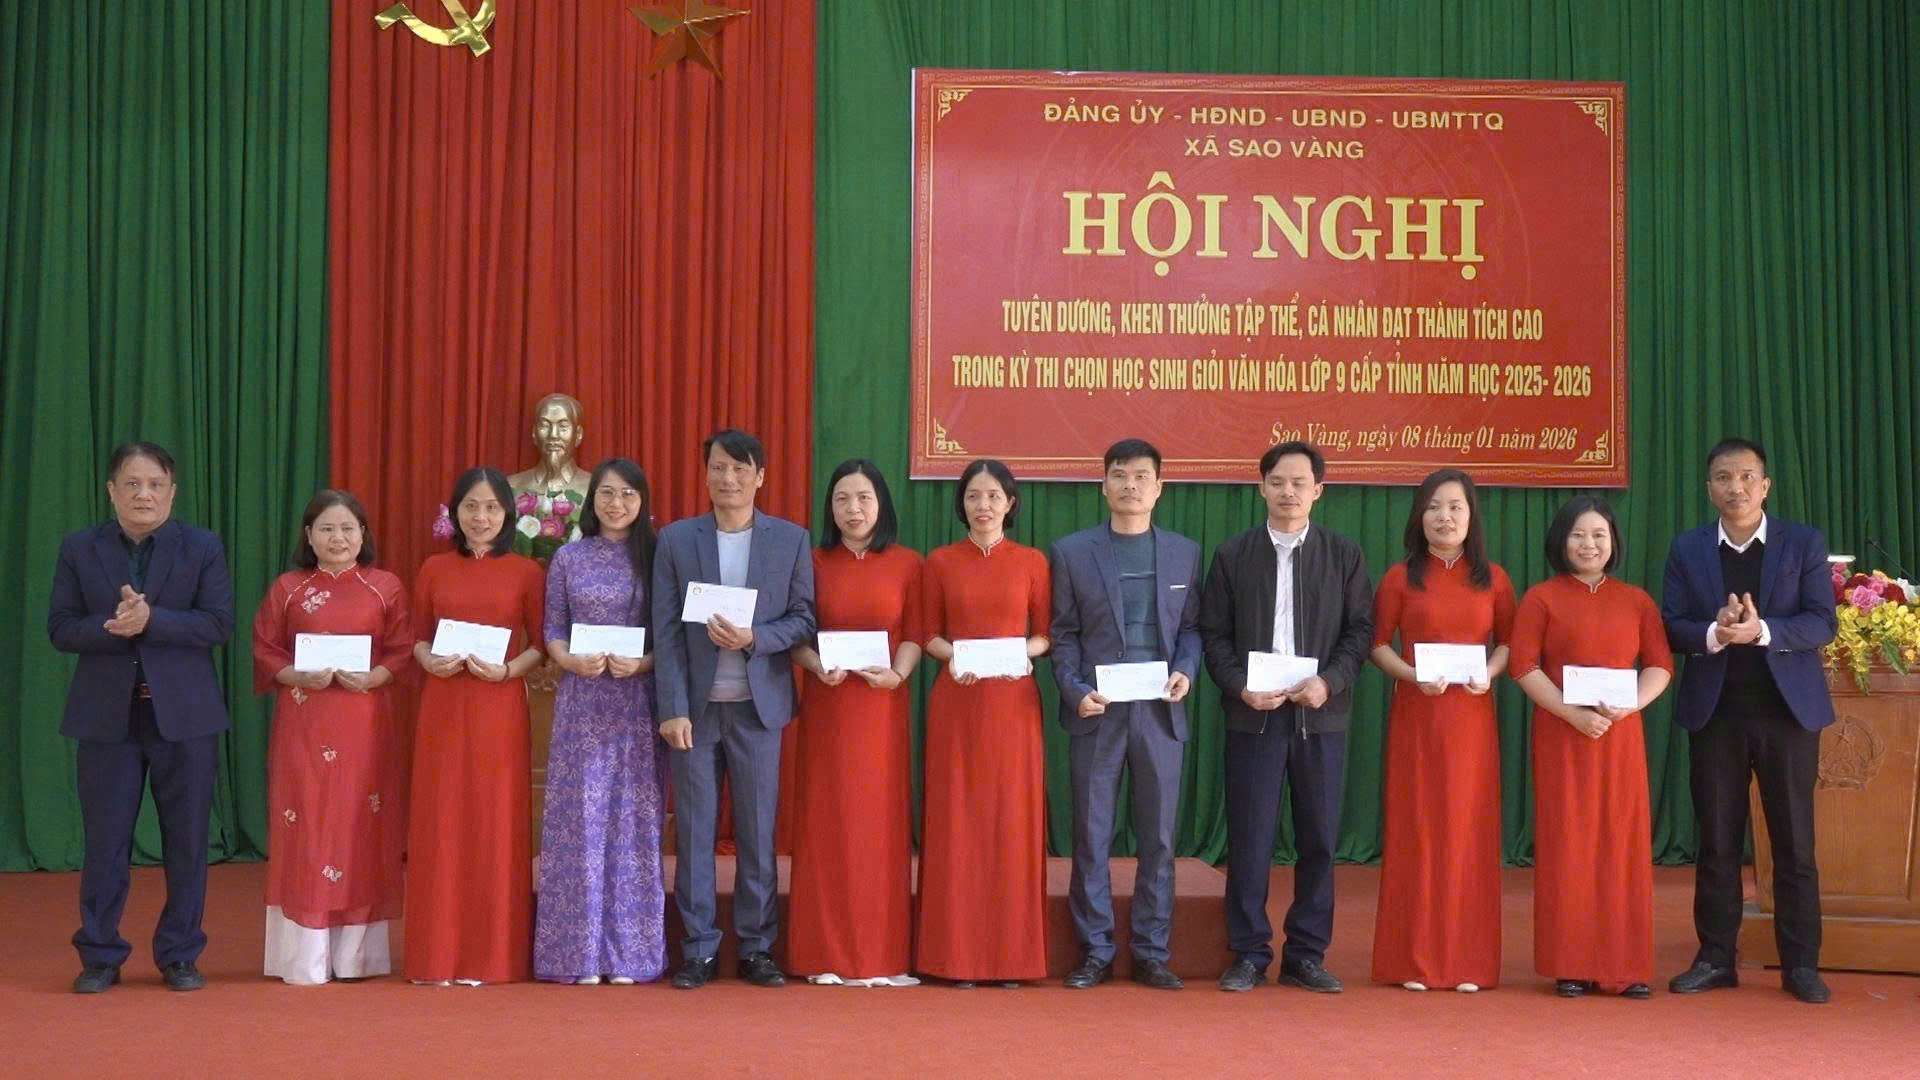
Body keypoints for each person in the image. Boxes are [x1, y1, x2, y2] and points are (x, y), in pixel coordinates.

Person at [49, 441, 234, 993]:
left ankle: (180, 954)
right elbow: (61, 627)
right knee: (105, 843)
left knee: (187, 841)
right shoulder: (80, 548)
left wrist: (152, 620)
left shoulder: (202, 546)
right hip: (106, 718)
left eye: (155, 484)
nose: (144, 494)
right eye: (131, 484)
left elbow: (217, 623)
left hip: (185, 717)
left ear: (172, 492)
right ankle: (100, 954)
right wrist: (115, 624)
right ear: (111, 491)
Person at [1661, 438, 1837, 1004]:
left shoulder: (1803, 543)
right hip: (1717, 716)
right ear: (1708, 487)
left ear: (1765, 486)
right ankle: (1716, 958)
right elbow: (1671, 625)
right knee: (1716, 843)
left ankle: (1800, 965)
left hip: (1788, 715)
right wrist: (1714, 632)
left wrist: (1761, 631)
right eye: (1722, 477)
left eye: (1745, 477)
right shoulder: (1687, 548)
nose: (1734, 487)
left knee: (1795, 845)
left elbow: (1822, 622)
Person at [1200, 441, 1372, 994]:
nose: (1288, 492)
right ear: (1261, 488)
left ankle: (1306, 954)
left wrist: (1330, 682)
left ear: (1318, 491)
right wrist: (1239, 686)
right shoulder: (1233, 555)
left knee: (1318, 840)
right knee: (1250, 839)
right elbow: (1213, 635)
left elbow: (1359, 632)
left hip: (1320, 718)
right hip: (1253, 717)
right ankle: (1249, 953)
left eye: (1299, 483)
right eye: (1277, 482)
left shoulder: (1343, 555)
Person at [652, 429, 815, 990]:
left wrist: (755, 638)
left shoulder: (790, 540)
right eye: (719, 468)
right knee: (695, 834)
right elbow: (666, 632)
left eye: (741, 469)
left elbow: (804, 619)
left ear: (760, 477)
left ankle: (756, 947)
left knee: (757, 833)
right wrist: (673, 708)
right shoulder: (677, 540)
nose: (729, 479)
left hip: (757, 709)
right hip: (696, 713)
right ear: (705, 474)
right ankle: (698, 949)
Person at [1049, 438, 1201, 991]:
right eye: (1119, 474)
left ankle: (1151, 952)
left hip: (1160, 712)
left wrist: (1186, 669)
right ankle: (1094, 951)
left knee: (1158, 838)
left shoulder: (1185, 552)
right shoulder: (1071, 552)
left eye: (1141, 476)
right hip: (1099, 711)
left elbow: (1192, 629)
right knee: (1092, 834)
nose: (1130, 484)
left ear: (1159, 487)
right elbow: (1063, 635)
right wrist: (1074, 690)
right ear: (1104, 485)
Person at [1509, 495, 1672, 999]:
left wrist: (1631, 706)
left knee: (1622, 844)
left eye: (1599, 534)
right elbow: (1523, 667)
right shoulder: (1541, 598)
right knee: (1569, 844)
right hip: (1563, 734)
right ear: (1561, 541)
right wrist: (1572, 714)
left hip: (1620, 737)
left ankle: (1626, 965)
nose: (1589, 544)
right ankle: (1572, 963)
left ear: (1613, 541)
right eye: (1578, 534)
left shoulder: (1636, 601)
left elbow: (1660, 665)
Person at [251, 489, 413, 985]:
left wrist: (376, 677)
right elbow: (265, 648)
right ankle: (305, 958)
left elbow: (402, 648)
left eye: (347, 528)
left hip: (364, 721)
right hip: (304, 721)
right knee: (307, 822)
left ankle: (355, 958)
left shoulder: (385, 587)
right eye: (326, 529)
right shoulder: (288, 588)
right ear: (308, 535)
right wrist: (296, 675)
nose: (337, 538)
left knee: (360, 823)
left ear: (363, 534)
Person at [1367, 468, 1514, 993]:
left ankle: (1469, 962)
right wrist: (1411, 675)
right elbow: (1377, 645)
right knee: (1419, 829)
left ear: (1471, 516)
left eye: (1455, 507)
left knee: (1467, 831)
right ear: (1419, 516)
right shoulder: (1399, 578)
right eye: (1433, 507)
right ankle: (1413, 960)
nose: (1444, 517)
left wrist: (1489, 673)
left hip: (1471, 720)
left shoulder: (1493, 578)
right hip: (1418, 717)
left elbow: (1510, 643)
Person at [405, 466, 546, 985]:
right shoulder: (433, 568)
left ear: (507, 513)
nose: (480, 517)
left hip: (498, 707)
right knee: (441, 821)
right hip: (443, 705)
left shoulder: (527, 573)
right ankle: (435, 956)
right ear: (455, 513)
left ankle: (493, 957)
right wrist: (427, 659)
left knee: (494, 822)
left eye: (490, 507)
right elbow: (417, 636)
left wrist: (508, 671)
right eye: (470, 507)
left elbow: (541, 644)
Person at [786, 459, 923, 985]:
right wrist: (814, 665)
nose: (854, 509)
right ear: (830, 507)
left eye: (864, 498)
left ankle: (880, 954)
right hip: (829, 706)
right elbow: (795, 632)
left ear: (881, 504)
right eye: (842, 498)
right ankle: (820, 952)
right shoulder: (811, 561)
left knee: (877, 825)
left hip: (882, 708)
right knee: (827, 823)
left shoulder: (908, 564)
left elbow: (915, 632)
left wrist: (898, 674)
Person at [917, 458, 1052, 987]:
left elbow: (1046, 634)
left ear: (1010, 503)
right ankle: (955, 958)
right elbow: (927, 633)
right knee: (958, 823)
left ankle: (1011, 959)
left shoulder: (1033, 562)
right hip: (958, 703)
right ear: (962, 503)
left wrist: (1019, 652)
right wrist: (955, 655)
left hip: (1013, 706)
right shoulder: (940, 562)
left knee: (1010, 825)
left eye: (994, 496)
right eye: (974, 496)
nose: (984, 505)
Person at [534, 458, 668, 985]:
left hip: (636, 704)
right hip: (581, 702)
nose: (617, 504)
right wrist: (569, 660)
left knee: (632, 822)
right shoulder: (568, 557)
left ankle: (629, 955)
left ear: (643, 501)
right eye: (607, 493)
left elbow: (670, 635)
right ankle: (577, 955)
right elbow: (552, 628)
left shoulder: (658, 556)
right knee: (579, 823)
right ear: (592, 500)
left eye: (628, 494)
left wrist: (645, 664)